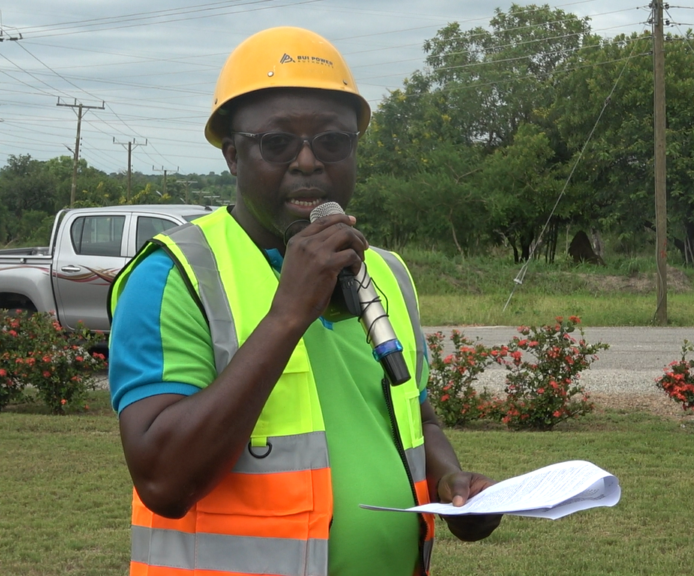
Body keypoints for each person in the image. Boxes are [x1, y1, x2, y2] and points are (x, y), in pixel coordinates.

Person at [108, 26, 501, 576]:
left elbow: (418, 416)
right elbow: (163, 480)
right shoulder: (174, 274)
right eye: (277, 143)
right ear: (231, 156)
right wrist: (289, 313)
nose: (310, 162)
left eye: (334, 142)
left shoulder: (384, 271)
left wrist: (451, 482)